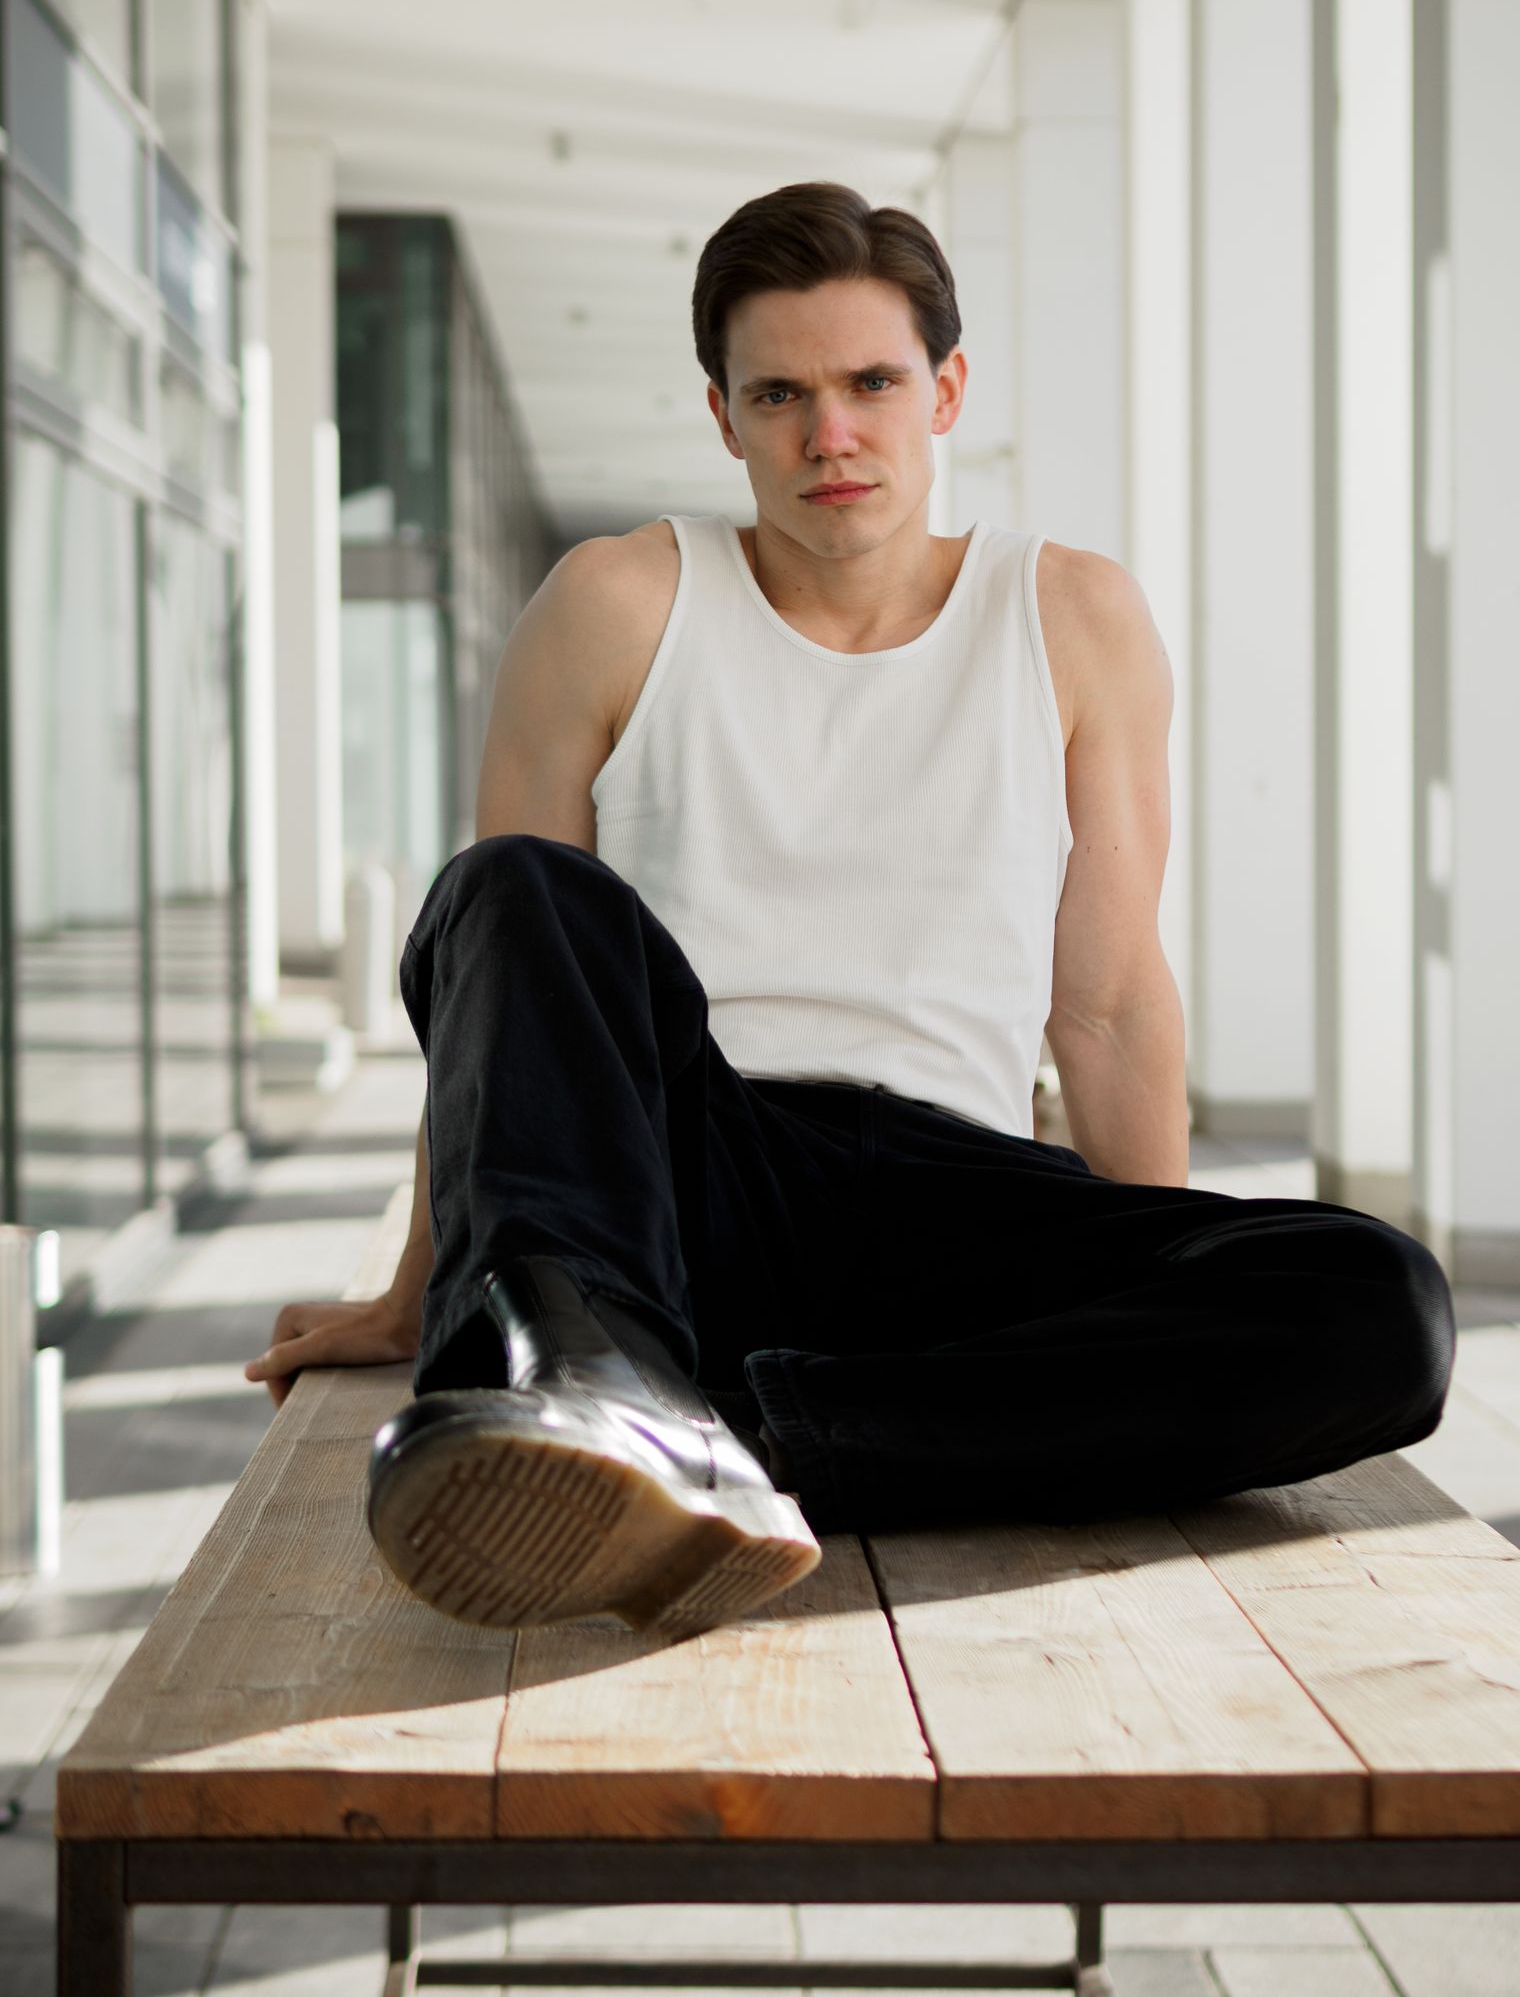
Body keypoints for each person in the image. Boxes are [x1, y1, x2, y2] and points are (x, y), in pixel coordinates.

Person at [245, 181, 1456, 1642]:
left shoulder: (1073, 617)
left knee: (1379, 1300)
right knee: (507, 886)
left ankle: (738, 1445)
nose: (831, 435)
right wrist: (419, 1287)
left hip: (960, 1193)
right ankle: (588, 1380)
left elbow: (1109, 1003)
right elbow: (506, 1009)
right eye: (781, 395)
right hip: (686, 1179)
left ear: (945, 391)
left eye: (872, 384)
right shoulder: (618, 602)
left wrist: (1136, 1269)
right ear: (724, 416)